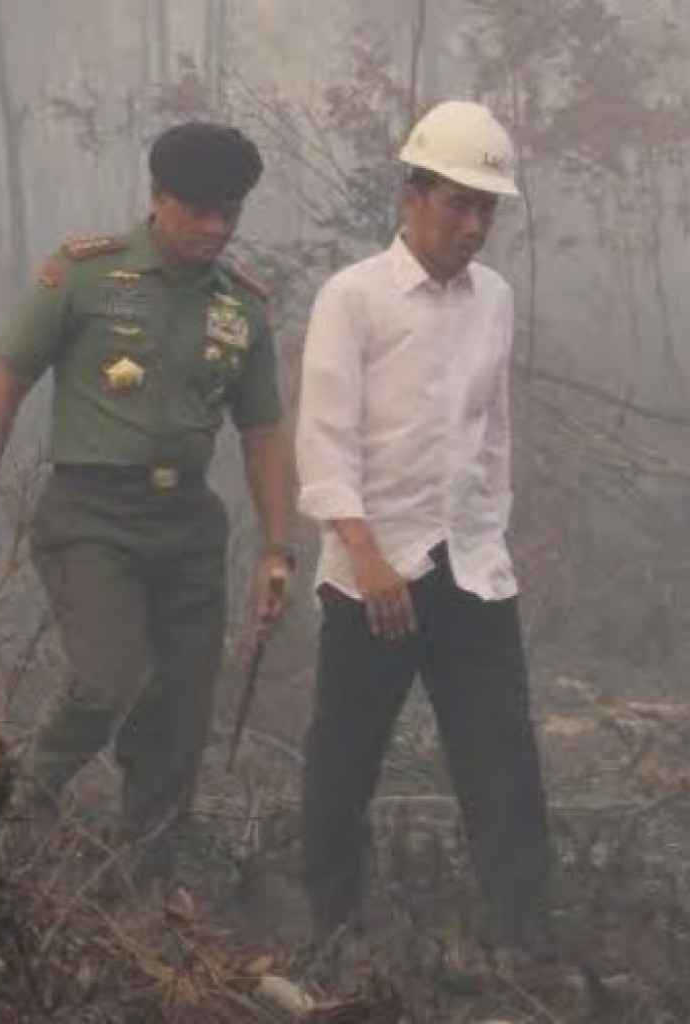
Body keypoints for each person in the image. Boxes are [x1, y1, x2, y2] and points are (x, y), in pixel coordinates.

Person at [0, 121, 294, 875]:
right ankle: (26, 794)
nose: (214, 228)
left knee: (181, 714)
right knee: (110, 678)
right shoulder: (86, 275)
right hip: (91, 516)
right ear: (158, 197)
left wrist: (275, 547)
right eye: (197, 209)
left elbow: (263, 430)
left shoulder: (242, 307)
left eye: (228, 212)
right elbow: (5, 381)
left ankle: (149, 869)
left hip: (189, 528)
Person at [296, 101, 551, 945]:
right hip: (373, 572)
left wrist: (489, 532)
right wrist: (366, 557)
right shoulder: (354, 298)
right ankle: (327, 933)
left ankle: (526, 944)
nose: (473, 227)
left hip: (471, 568)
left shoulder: (495, 301)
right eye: (458, 205)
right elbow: (325, 445)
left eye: (487, 210)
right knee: (344, 762)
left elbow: (494, 433)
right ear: (413, 197)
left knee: (504, 767)